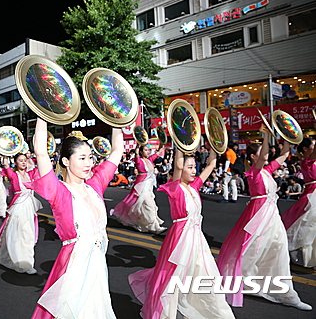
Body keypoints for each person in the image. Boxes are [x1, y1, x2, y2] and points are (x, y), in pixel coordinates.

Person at [27, 119, 123, 319]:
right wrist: (42, 113)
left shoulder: (96, 185)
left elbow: (116, 152)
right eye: (82, 158)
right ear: (65, 161)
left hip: (97, 265)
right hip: (72, 266)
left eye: (90, 157)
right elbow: (41, 152)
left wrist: (117, 118)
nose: (89, 163)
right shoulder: (59, 192)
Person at [129, 147, 235, 319]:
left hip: (198, 240)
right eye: (190, 167)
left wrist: (216, 146)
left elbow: (211, 165)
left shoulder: (195, 187)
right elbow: (178, 166)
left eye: (195, 167)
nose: (194, 171)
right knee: (174, 280)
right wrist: (180, 144)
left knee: (205, 277)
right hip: (180, 240)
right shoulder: (175, 188)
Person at [216, 125, 312, 310]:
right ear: (253, 157)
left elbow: (284, 155)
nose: (267, 153)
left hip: (272, 215)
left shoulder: (267, 170)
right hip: (258, 217)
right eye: (261, 151)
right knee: (252, 253)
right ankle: (236, 280)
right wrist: (266, 136)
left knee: (280, 250)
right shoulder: (254, 172)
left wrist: (287, 138)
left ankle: (288, 294)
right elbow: (265, 155)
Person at [0, 153, 43, 274]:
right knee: (20, 234)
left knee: (28, 236)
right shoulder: (14, 175)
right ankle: (21, 262)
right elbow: (6, 165)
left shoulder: (30, 174)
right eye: (20, 161)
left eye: (25, 160)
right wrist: (6, 152)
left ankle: (27, 262)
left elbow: (40, 167)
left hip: (29, 208)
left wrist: (36, 155)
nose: (23, 162)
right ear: (15, 163)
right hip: (18, 208)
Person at [111, 144, 166, 233]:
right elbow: (136, 156)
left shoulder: (149, 160)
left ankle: (146, 223)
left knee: (148, 206)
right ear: (140, 151)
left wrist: (161, 145)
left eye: (148, 150)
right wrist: (137, 148)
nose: (148, 151)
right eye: (145, 150)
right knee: (149, 206)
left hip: (149, 187)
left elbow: (157, 153)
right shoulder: (139, 161)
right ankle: (155, 227)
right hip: (141, 187)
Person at [282, 138, 316, 268]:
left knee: (309, 228)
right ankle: (293, 247)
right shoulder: (307, 161)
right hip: (312, 196)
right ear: (306, 150)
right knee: (307, 227)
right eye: (312, 145)